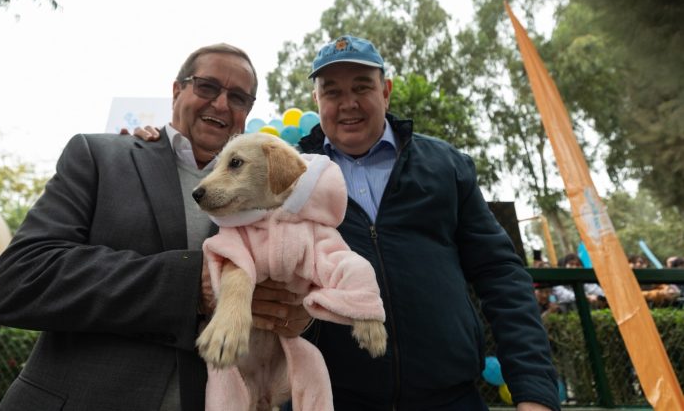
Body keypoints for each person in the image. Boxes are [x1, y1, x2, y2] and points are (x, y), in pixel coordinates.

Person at [130, 36, 560, 410]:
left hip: (452, 398)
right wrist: (156, 146)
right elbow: (227, 222)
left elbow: (500, 274)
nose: (348, 102)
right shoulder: (286, 173)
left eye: (362, 87)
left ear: (386, 91)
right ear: (317, 101)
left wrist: (535, 390)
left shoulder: (445, 166)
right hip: (334, 398)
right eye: (332, 91)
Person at [0, 43, 310, 411]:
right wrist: (188, 286)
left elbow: (296, 288)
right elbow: (19, 280)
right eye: (206, 87)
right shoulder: (100, 156)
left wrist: (298, 314)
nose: (221, 104)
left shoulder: (273, 194)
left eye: (238, 97)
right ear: (176, 90)